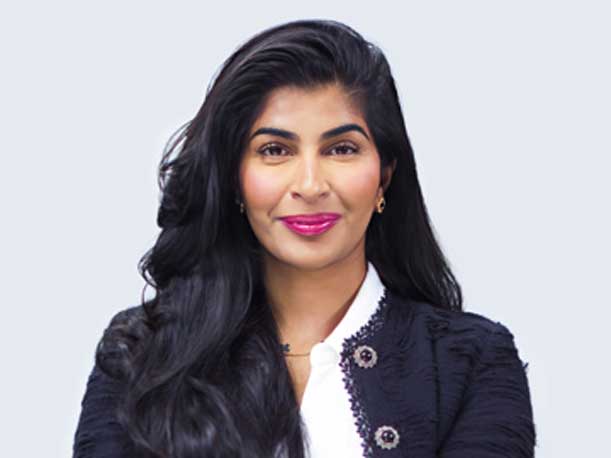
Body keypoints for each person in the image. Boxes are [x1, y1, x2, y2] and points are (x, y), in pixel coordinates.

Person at [72, 19, 536, 458]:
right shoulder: (141, 354)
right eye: (275, 150)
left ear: (384, 176)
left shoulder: (472, 362)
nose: (310, 185)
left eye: (342, 149)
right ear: (234, 178)